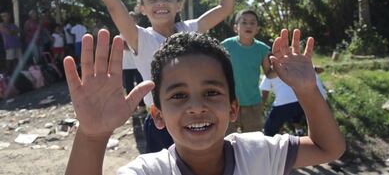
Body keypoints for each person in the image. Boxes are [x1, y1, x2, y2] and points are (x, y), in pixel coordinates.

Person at [44, 0, 246, 153]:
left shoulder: (191, 29)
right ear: (142, 8)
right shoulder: (140, 37)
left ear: (179, 5)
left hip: (196, 116)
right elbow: (112, 2)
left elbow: (225, 8)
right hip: (161, 122)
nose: (160, 3)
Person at [63, 29, 345, 175]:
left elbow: (328, 148)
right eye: (178, 95)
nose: (196, 107)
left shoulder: (260, 153)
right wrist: (92, 135)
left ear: (233, 108)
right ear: (157, 115)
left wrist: (307, 90)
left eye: (211, 93)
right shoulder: (151, 171)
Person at [221, 9, 275, 133]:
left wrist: (282, 68)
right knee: (227, 139)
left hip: (253, 103)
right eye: (244, 22)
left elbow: (269, 73)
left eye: (252, 23)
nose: (248, 25)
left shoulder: (262, 49)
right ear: (236, 28)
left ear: (257, 29)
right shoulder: (226, 46)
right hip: (229, 102)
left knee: (253, 140)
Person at [260, 68, 328, 137]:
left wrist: (260, 109)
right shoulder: (299, 64)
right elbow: (320, 70)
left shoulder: (269, 73)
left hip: (286, 101)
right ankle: (300, 132)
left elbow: (264, 95)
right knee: (296, 113)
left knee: (269, 131)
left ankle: (276, 142)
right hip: (312, 99)